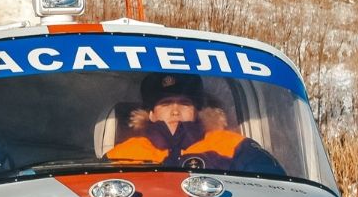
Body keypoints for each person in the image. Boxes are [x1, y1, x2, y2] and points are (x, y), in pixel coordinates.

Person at [105, 72, 285, 176]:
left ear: (197, 111)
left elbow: (272, 185)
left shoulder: (233, 146)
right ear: (151, 114)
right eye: (166, 104)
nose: (175, 111)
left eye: (184, 104)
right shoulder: (123, 153)